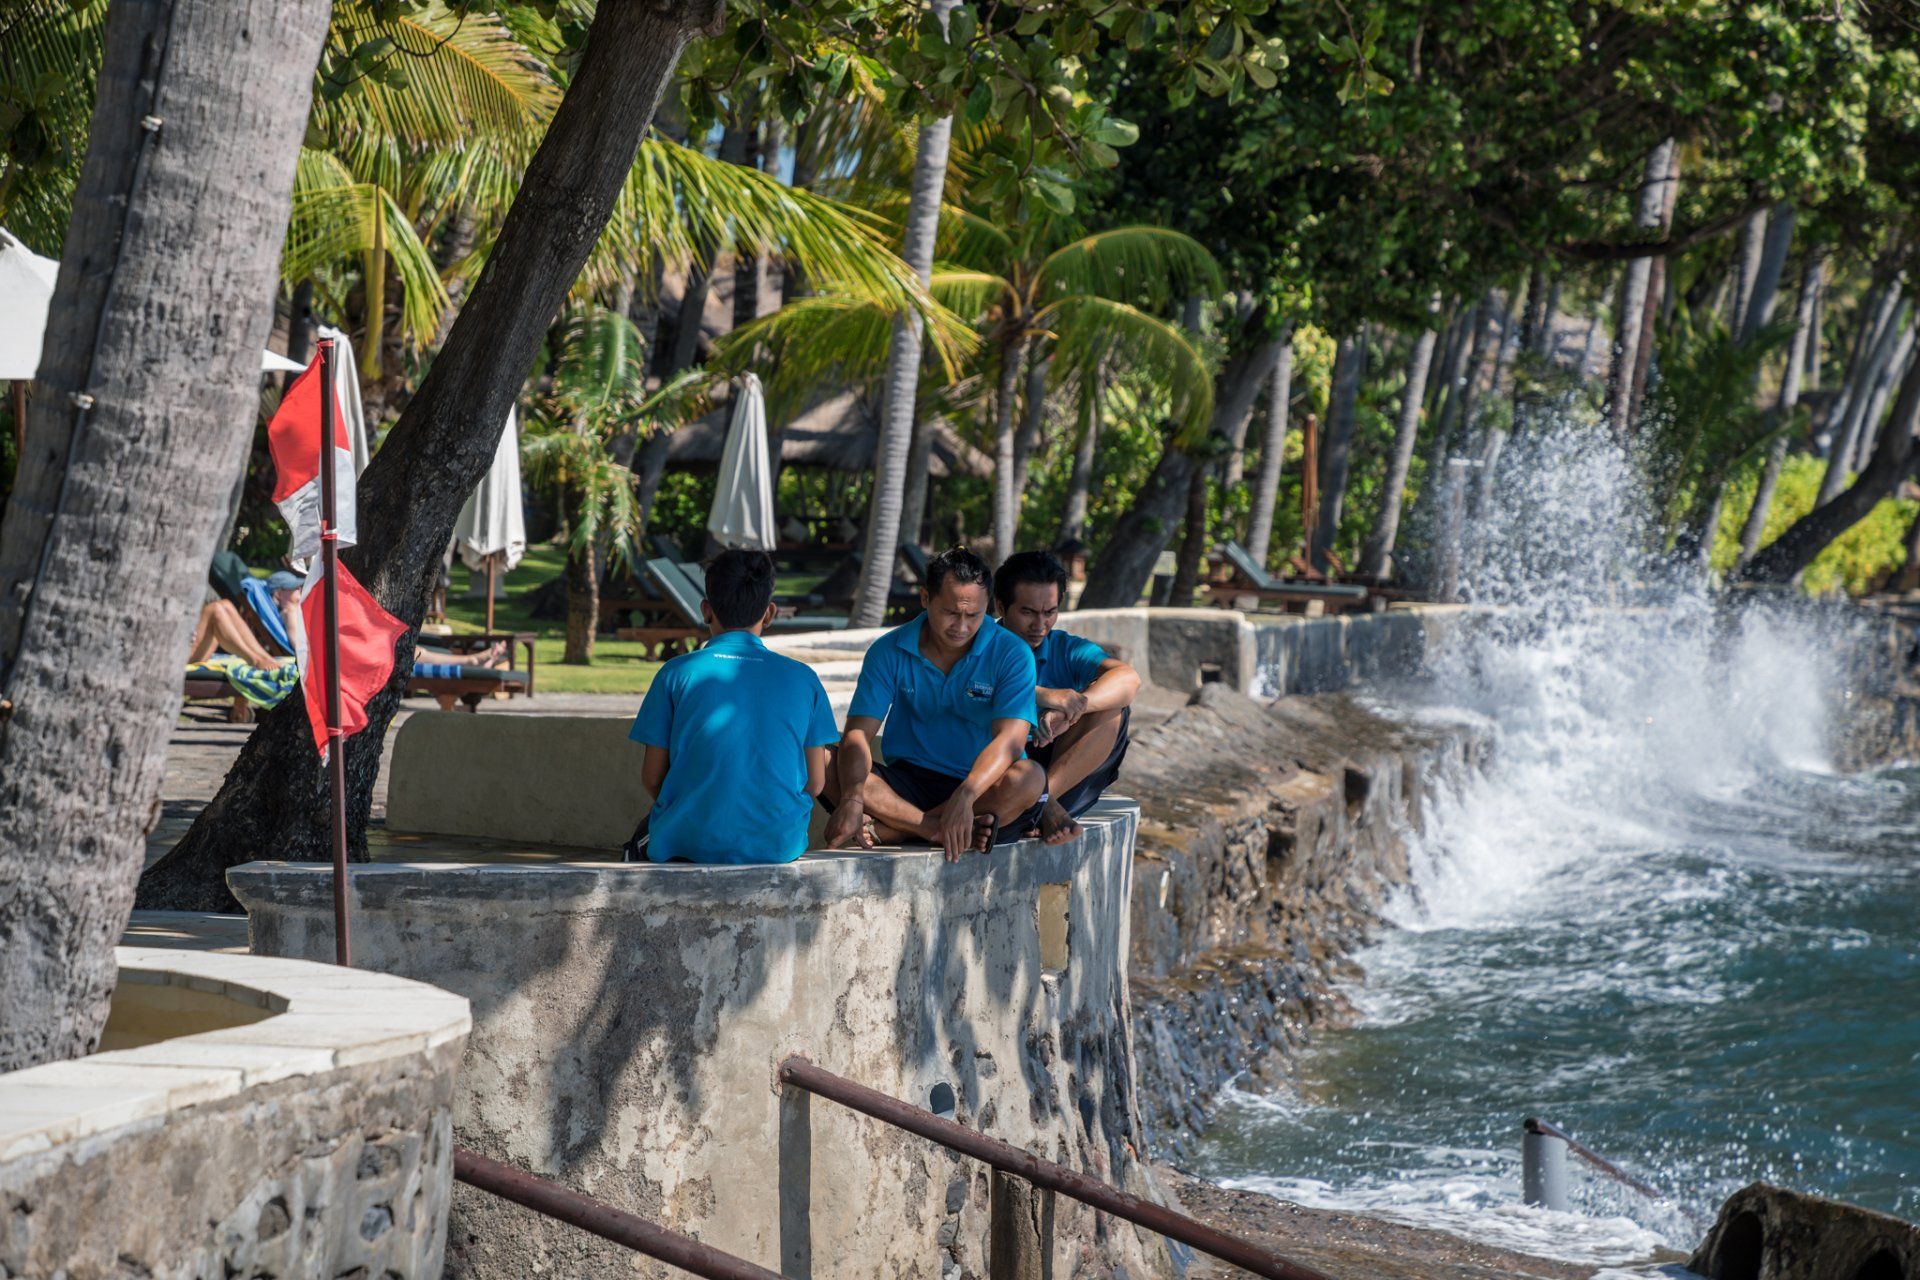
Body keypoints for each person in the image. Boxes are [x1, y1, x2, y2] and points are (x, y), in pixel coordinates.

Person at [823, 546, 1044, 859]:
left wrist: (966, 795)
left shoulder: (1012, 653)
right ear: (926, 598)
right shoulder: (888, 650)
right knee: (818, 759)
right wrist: (852, 797)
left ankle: (899, 828)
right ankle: (930, 828)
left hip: (982, 787)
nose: (962, 627)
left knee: (1030, 777)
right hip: (908, 783)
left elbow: (1010, 741)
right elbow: (858, 733)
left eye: (974, 615)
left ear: (989, 606)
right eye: (951, 613)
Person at [626, 549, 840, 864]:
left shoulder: (676, 673)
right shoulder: (804, 679)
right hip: (779, 846)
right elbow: (816, 782)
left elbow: (653, 778)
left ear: (705, 610)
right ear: (769, 614)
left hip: (689, 841)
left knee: (637, 845)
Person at [994, 549, 1141, 845]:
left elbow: (1128, 678)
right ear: (1000, 606)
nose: (1040, 625)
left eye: (1049, 612)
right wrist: (1043, 696)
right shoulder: (979, 646)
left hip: (1058, 775)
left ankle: (1040, 802)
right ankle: (1041, 805)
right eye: (1028, 612)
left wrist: (1074, 708)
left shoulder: (1066, 648)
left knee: (1112, 709)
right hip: (998, 772)